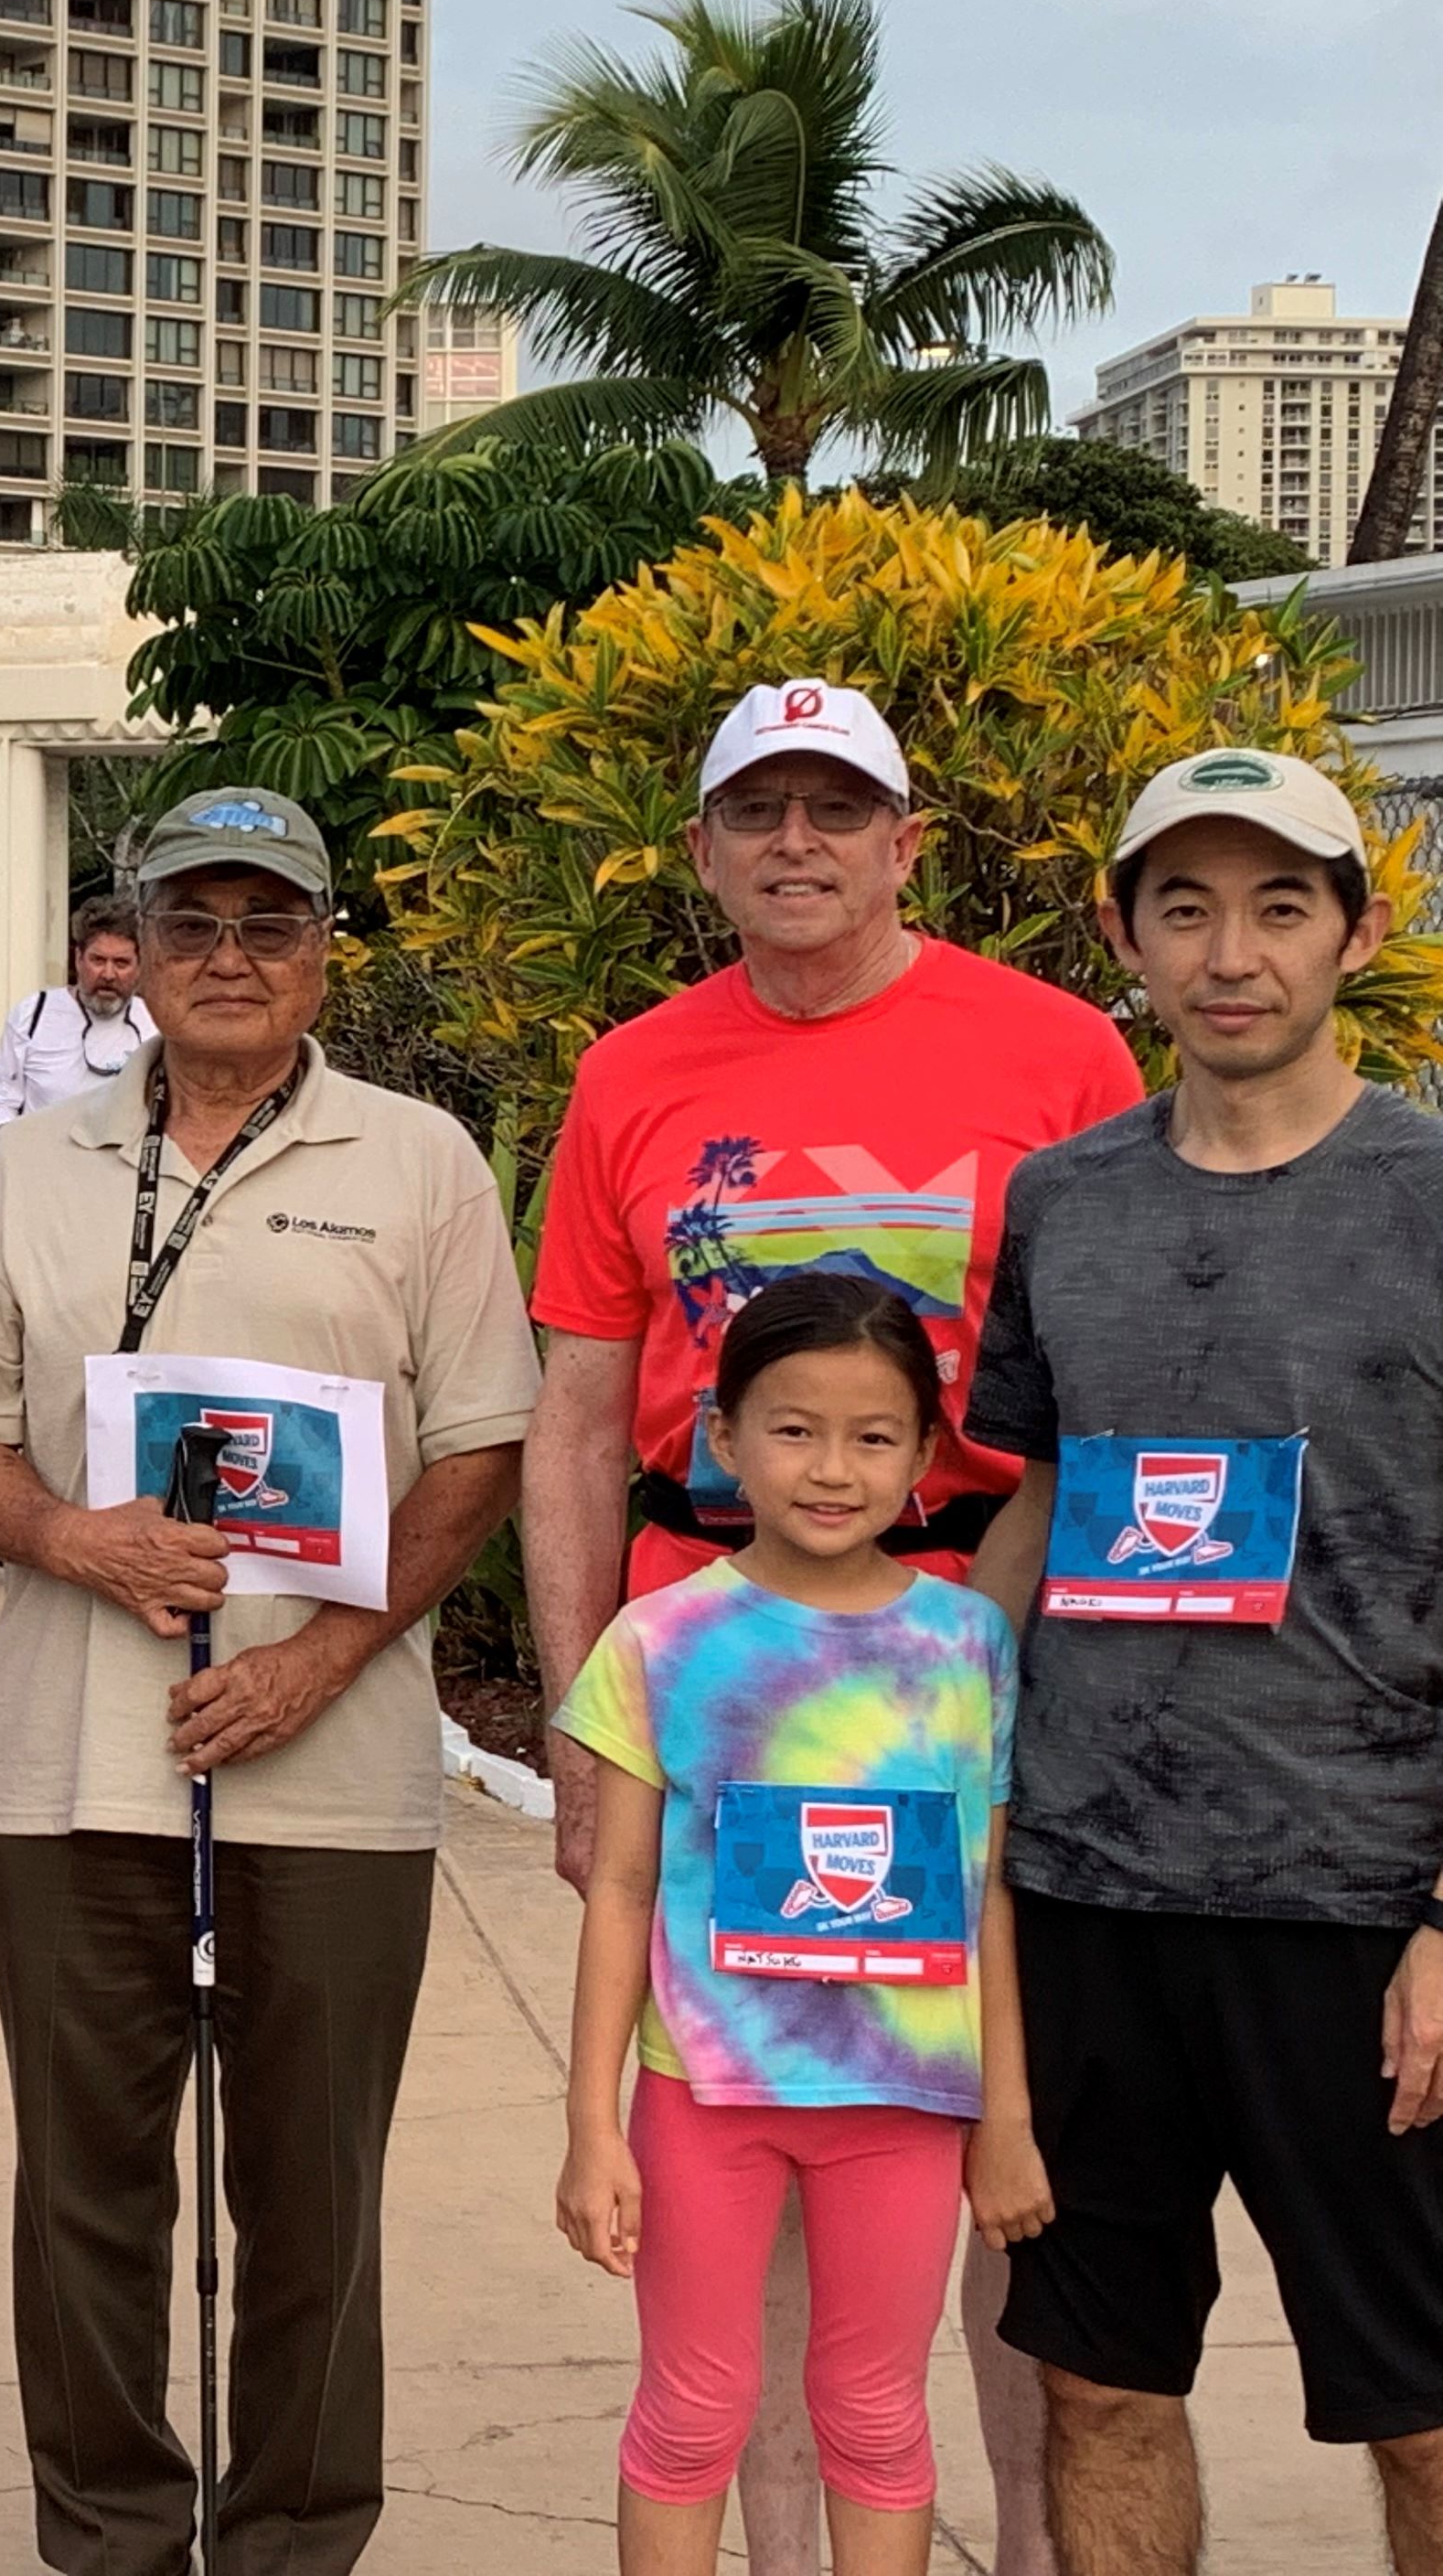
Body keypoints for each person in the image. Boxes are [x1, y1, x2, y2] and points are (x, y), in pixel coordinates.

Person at [522, 679, 1137, 2576]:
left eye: (834, 810)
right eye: (756, 812)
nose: (796, 844)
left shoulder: (1055, 1054)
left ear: (903, 842)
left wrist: (1066, 1687)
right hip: (714, 1689)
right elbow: (569, 1409)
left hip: (970, 1660)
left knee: (989, 2196)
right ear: (702, 851)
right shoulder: (635, 1072)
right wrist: (569, 1720)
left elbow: (1108, 1395)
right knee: (745, 2226)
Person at [0, 785, 543, 2576]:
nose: (231, 958)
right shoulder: (32, 1165)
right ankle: (112, 2541)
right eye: (194, 922)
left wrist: (331, 1660)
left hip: (335, 1777)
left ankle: (292, 2545)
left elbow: (481, 1448)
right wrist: (67, 1536)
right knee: (87, 2202)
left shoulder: (419, 1164)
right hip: (72, 1771)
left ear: (326, 951)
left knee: (314, 2204)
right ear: (136, 944)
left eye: (271, 923)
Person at [958, 748, 1443, 2576]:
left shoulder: (1431, 1195)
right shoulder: (1070, 1203)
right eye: (1184, 908)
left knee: (1420, 2405)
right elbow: (1047, 1495)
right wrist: (896, 1716)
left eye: (1277, 907)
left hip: (1357, 1901)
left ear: (1356, 933)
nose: (1229, 953)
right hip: (1091, 1893)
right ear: (1127, 938)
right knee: (1097, 2388)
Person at [551, 1274, 1026, 2576]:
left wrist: (1009, 2122)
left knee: (875, 2415)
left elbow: (986, 1894)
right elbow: (622, 1890)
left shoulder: (969, 1647)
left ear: (927, 1457)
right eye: (793, 1428)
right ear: (723, 1438)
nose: (833, 1467)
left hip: (902, 2105)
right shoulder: (661, 1639)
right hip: (703, 2097)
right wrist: (594, 2128)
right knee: (694, 2410)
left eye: (875, 1436)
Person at [0, 895, 156, 1129]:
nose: (108, 974)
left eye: (121, 963)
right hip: (43, 1159)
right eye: (98, 960)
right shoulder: (33, 1015)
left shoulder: (154, 1023)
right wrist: (16, 1153)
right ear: (78, 959)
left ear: (139, 965)